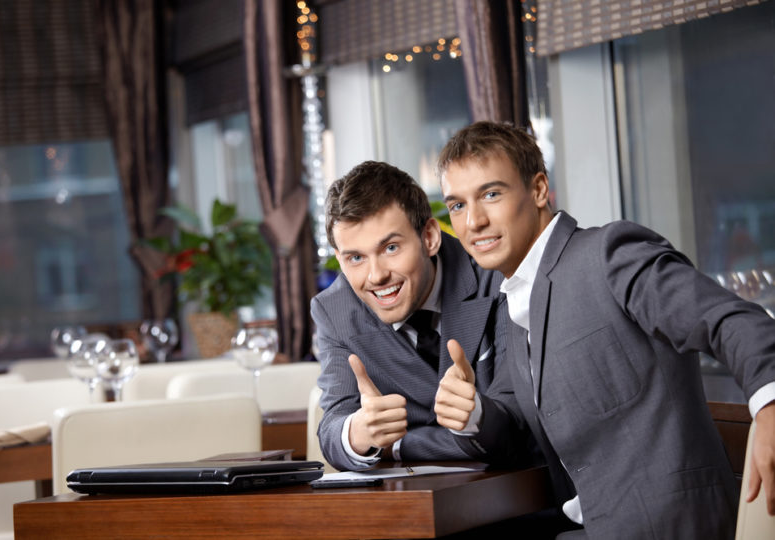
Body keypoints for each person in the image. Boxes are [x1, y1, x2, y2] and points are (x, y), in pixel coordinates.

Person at [433, 120, 775, 539]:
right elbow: (516, 421)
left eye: (491, 194)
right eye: (457, 205)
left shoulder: (610, 255)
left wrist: (771, 409)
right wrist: (473, 413)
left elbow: (732, 320)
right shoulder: (515, 302)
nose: (473, 222)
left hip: (672, 527)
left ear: (538, 189)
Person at [313, 160, 535, 471]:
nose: (376, 276)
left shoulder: (496, 275)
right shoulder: (335, 309)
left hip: (523, 498)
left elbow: (519, 427)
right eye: (356, 258)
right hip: (411, 507)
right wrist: (360, 431)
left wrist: (401, 445)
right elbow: (333, 428)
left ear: (429, 237)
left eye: (391, 248)